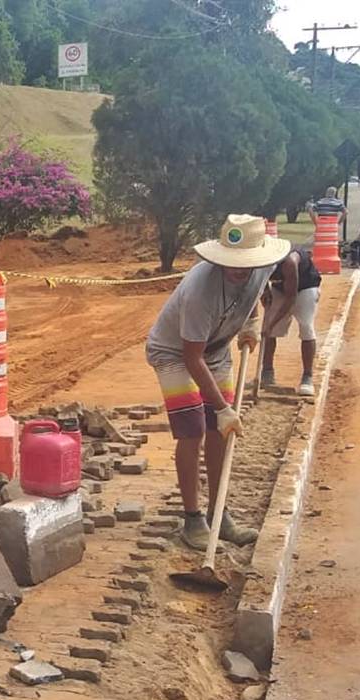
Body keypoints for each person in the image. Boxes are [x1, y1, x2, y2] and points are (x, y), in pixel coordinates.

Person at [145, 215, 290, 551]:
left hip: (217, 348)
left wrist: (251, 323)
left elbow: (257, 293)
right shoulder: (200, 291)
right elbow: (191, 356)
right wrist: (224, 408)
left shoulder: (263, 267)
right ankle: (193, 519)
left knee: (220, 431)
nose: (238, 270)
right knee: (193, 428)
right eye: (231, 263)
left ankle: (219, 513)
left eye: (244, 263)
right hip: (174, 353)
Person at [260, 245, 321, 396]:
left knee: (306, 326)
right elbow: (261, 279)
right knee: (270, 332)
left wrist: (271, 323)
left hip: (305, 287)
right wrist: (266, 291)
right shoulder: (260, 260)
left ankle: (307, 377)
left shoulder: (290, 262)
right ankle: (267, 373)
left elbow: (290, 299)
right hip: (280, 287)